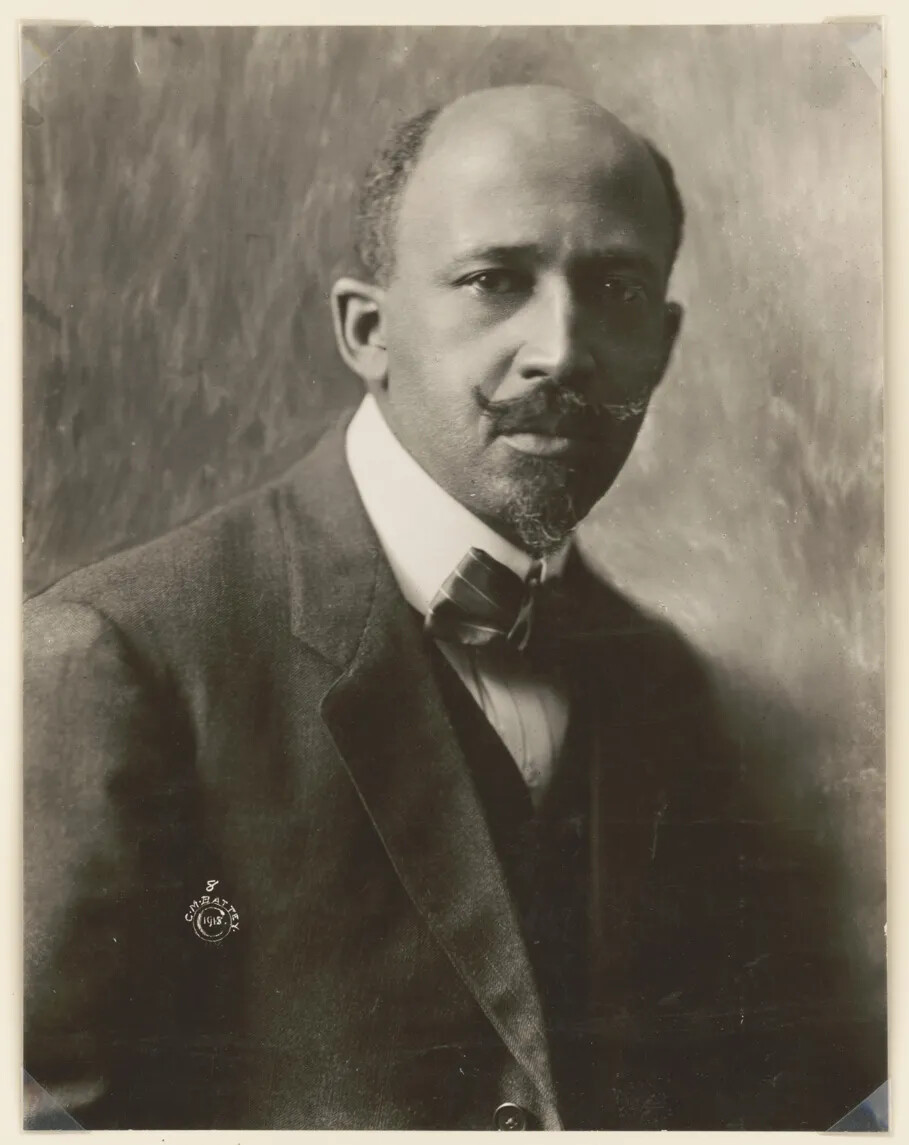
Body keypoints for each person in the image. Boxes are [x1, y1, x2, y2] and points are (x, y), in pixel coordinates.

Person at [24, 84, 883, 1131]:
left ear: (660, 345)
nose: (560, 348)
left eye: (612, 287)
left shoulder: (660, 677)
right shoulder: (118, 660)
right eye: (494, 280)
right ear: (367, 330)